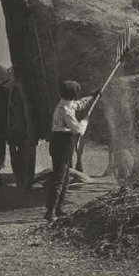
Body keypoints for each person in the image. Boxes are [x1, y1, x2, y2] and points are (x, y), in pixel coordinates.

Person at [45, 80, 100, 221]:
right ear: (74, 94)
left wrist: (93, 97)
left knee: (64, 177)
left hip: (64, 143)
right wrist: (85, 120)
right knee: (59, 178)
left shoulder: (66, 104)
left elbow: (78, 104)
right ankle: (50, 212)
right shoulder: (65, 110)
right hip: (61, 143)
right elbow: (78, 130)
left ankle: (58, 209)